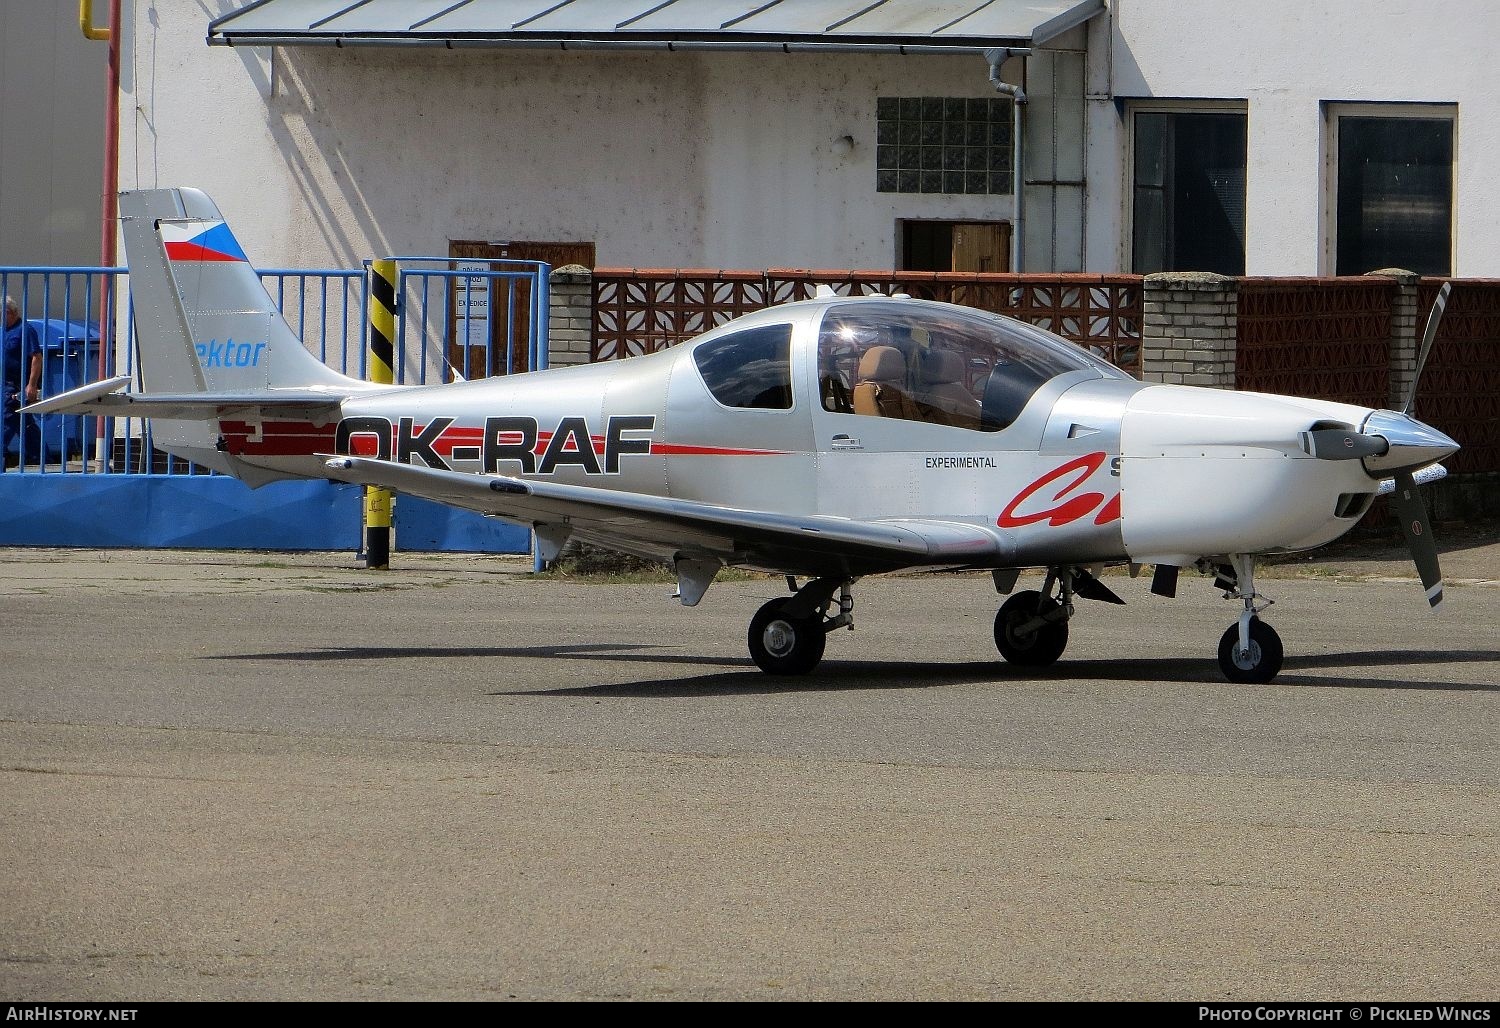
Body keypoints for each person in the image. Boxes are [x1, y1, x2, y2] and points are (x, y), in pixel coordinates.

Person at [3, 295, 43, 467]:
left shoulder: (25, 330)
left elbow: (36, 357)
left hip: (15, 388)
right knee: (26, 427)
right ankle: (43, 460)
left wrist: (32, 384)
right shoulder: (4, 330)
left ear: (10, 312)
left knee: (4, 423)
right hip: (4, 384)